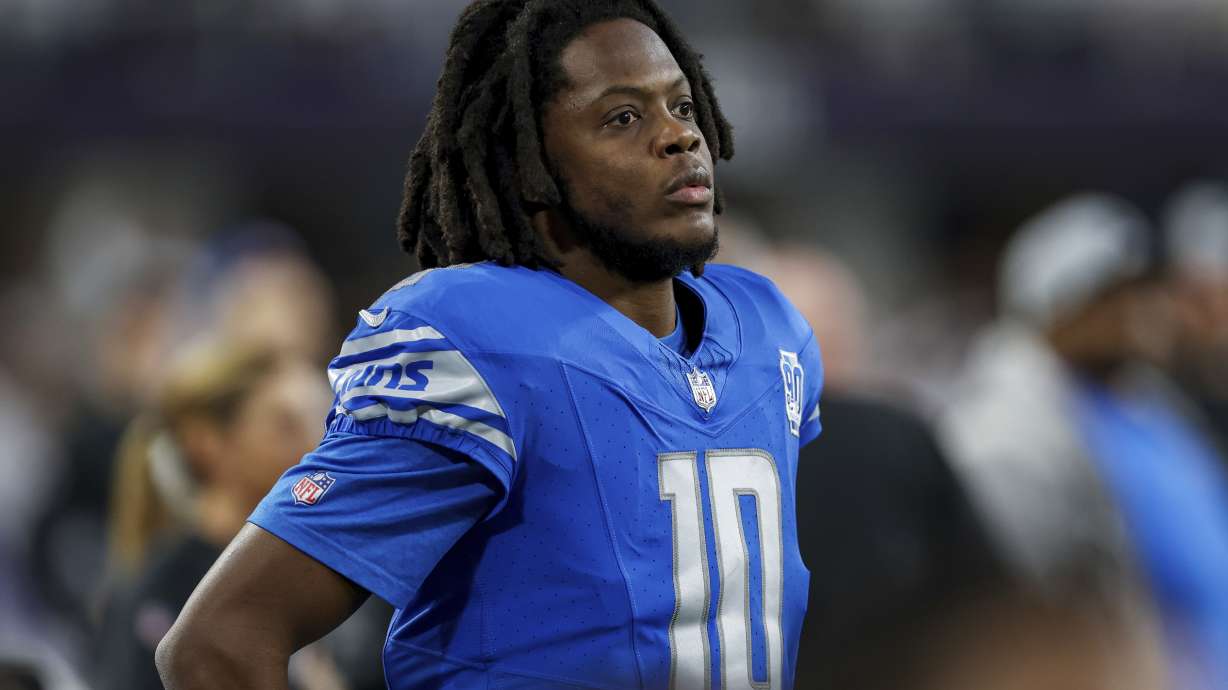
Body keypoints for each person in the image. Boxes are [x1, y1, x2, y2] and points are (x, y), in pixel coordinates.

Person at [157, 2, 824, 689]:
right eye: (623, 117)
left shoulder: (770, 333)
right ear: (527, 166)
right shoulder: (478, 342)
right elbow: (219, 642)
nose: (678, 137)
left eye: (682, 106)